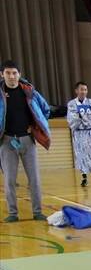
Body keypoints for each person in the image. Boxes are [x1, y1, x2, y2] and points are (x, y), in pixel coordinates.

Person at [1, 60, 50, 223]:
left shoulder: (29, 91)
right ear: (2, 75)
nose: (11, 76)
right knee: (9, 180)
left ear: (19, 74)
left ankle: (37, 212)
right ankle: (13, 213)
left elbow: (45, 109)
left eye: (14, 73)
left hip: (28, 140)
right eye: (8, 73)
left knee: (34, 178)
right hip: (7, 141)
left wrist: (36, 125)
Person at [67, 81, 91, 188]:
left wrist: (81, 117)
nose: (83, 91)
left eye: (85, 89)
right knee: (81, 155)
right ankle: (84, 178)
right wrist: (84, 118)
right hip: (79, 134)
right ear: (76, 91)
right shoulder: (71, 104)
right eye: (81, 89)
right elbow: (72, 119)